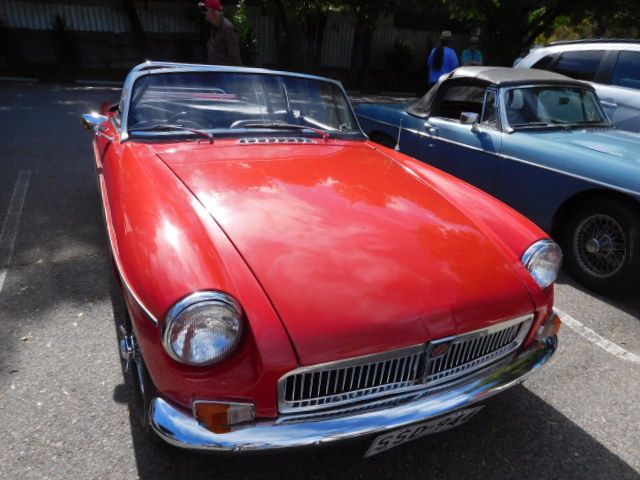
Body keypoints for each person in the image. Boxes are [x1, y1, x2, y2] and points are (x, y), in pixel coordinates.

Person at [200, 0, 241, 66]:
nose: (205, 13)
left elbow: (234, 59)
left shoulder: (227, 28)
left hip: (223, 72)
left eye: (206, 10)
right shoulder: (215, 27)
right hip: (214, 71)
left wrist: (224, 71)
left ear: (213, 12)